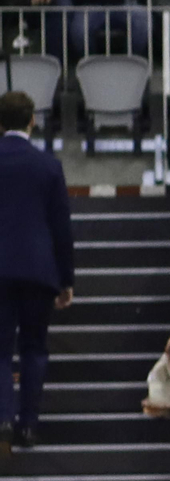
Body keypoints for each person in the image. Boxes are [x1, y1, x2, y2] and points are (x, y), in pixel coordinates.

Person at [0, 91, 73, 456]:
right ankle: (28, 423)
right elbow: (61, 226)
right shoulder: (48, 166)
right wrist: (67, 278)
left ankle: (3, 418)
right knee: (33, 349)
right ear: (32, 121)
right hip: (38, 271)